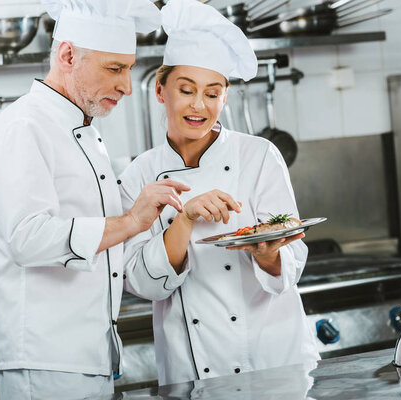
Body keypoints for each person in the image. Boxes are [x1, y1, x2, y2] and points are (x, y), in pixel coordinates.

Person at [0, 0, 190, 398]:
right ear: (68, 55)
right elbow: (28, 238)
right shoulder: (23, 128)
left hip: (88, 356)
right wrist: (131, 221)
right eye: (115, 69)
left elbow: (104, 247)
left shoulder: (83, 131)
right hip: (45, 362)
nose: (127, 86)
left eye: (128, 68)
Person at [119, 0, 320, 386]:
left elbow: (292, 253)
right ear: (160, 91)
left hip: (274, 360)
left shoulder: (259, 155)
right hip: (191, 369)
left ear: (224, 98)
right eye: (186, 90)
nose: (199, 105)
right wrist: (186, 217)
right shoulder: (139, 174)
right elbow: (139, 282)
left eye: (213, 93)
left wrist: (269, 255)